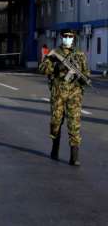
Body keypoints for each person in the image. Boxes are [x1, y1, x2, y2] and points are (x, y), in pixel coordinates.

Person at [39, 29, 90, 166]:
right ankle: (55, 149)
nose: (68, 38)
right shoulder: (55, 53)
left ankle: (74, 157)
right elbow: (42, 68)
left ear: (74, 38)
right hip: (58, 94)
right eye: (65, 36)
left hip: (75, 95)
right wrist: (57, 67)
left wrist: (83, 79)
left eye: (70, 36)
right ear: (61, 37)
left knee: (74, 124)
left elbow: (86, 73)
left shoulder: (79, 55)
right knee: (56, 122)